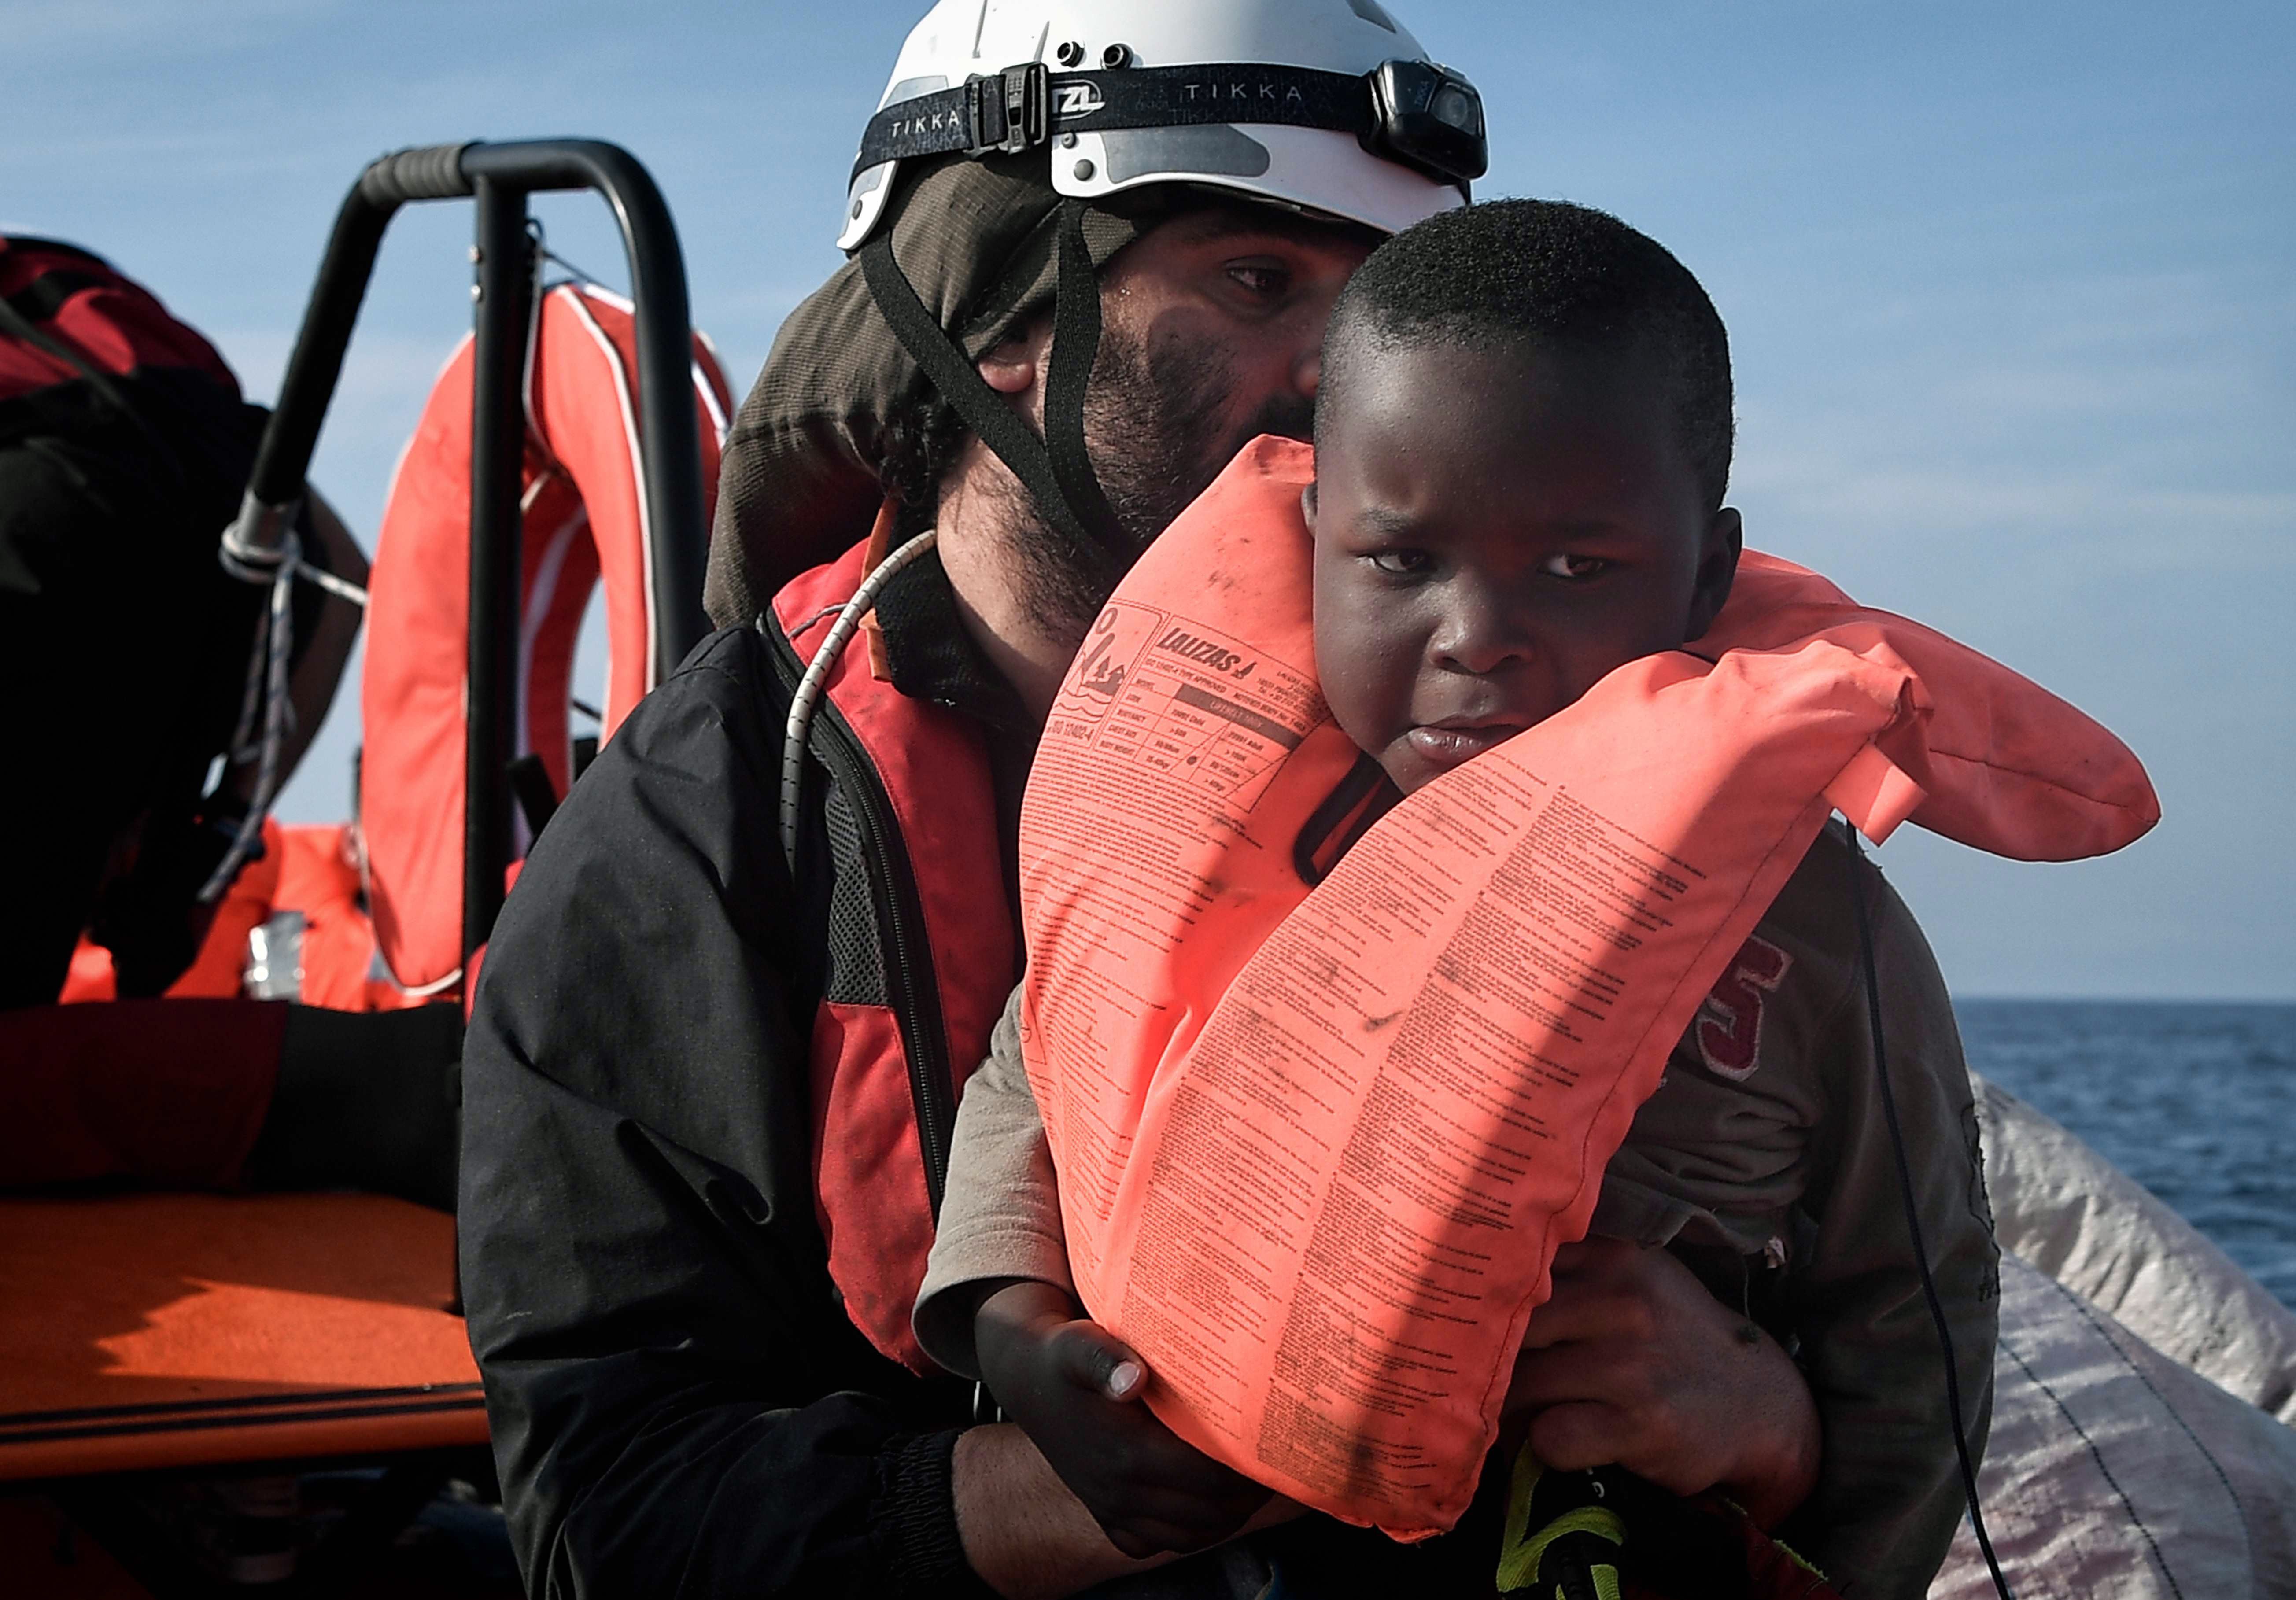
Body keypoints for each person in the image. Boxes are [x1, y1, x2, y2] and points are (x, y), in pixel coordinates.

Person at [458, 4, 1826, 1595]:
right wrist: (1102, 1482)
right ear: (999, 316)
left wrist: (1760, 1412)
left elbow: (1871, 1309)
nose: (1352, 369)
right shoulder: (693, 845)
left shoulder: (1558, 735)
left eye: (1382, 296)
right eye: (1259, 282)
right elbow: (610, 1514)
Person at [914, 200, 1997, 1600]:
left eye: (1571, 569)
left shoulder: (1816, 927)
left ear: (1705, 578)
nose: (1475, 641)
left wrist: (1769, 1423)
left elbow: (1918, 1314)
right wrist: (1011, 1324)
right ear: (1314, 538)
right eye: (1400, 561)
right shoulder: (1227, 815)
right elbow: (1043, 1064)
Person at [0, 232, 462, 1209]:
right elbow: (340, 583)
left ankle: (416, 1094)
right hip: (189, 524)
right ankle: (442, 1085)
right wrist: (217, 830)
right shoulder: (76, 299)